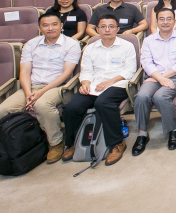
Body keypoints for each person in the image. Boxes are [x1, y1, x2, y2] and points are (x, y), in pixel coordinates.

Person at [0, 11, 81, 163]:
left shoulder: (71, 44)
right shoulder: (31, 44)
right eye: (45, 25)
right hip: (31, 87)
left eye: (54, 24)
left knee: (42, 105)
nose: (50, 28)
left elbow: (65, 75)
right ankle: (13, 145)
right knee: (2, 110)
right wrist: (28, 93)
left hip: (58, 87)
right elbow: (24, 72)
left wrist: (41, 93)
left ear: (61, 26)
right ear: (39, 28)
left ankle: (56, 142)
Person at [61, 15, 136, 165]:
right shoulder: (90, 48)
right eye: (103, 26)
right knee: (71, 107)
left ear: (117, 29)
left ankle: (117, 143)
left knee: (103, 103)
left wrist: (110, 81)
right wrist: (85, 83)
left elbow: (129, 70)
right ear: (97, 29)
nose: (107, 30)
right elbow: (86, 70)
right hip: (94, 85)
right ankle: (71, 144)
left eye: (111, 26)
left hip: (118, 84)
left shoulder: (127, 46)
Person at [132, 8, 176, 156]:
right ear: (157, 22)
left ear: (175, 21)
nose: (165, 22)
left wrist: (163, 77)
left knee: (160, 96)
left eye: (169, 19)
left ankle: (173, 130)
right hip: (154, 78)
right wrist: (160, 78)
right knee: (141, 97)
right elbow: (146, 63)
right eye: (162, 19)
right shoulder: (148, 40)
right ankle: (142, 134)